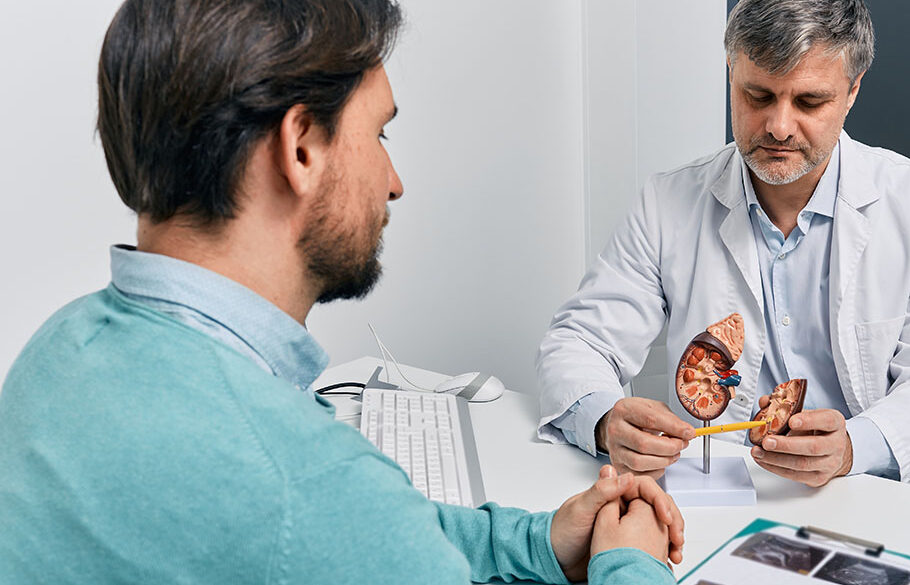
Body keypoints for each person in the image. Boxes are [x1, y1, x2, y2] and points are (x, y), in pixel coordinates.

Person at [0, 1, 684, 583]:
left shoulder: (55, 352)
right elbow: (340, 521)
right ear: (300, 147)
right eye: (378, 133)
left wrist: (535, 544)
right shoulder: (302, 483)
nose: (394, 180)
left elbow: (369, 532)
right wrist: (629, 562)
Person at [537, 0, 910, 497]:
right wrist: (604, 419)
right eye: (758, 95)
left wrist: (853, 448)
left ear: (852, 91)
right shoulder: (668, 202)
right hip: (721, 494)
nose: (778, 126)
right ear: (731, 73)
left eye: (810, 103)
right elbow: (580, 340)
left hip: (885, 491)